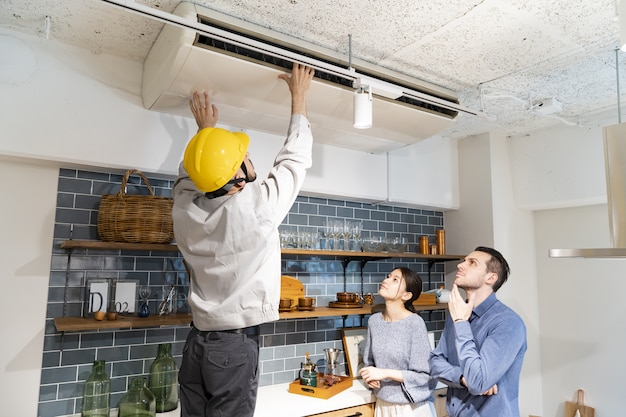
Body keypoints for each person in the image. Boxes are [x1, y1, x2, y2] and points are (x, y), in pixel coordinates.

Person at [172, 62, 315, 417]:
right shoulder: (256, 208)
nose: (250, 159)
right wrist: (299, 98)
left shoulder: (184, 213)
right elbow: (294, 160)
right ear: (238, 179)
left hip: (196, 346)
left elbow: (192, 175)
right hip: (232, 348)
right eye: (244, 158)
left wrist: (206, 134)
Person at [429, 246, 527, 417]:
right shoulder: (455, 317)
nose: (461, 265)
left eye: (472, 263)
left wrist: (461, 323)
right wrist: (462, 378)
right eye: (464, 260)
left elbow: (478, 382)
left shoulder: (508, 323)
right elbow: (434, 363)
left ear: (491, 278)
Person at [359, 267, 436, 417]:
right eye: (388, 276)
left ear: (406, 295)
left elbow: (424, 375)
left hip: (411, 408)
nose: (386, 280)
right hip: (382, 405)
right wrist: (370, 378)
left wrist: (383, 373)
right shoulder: (374, 321)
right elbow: (369, 363)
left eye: (395, 280)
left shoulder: (415, 323)